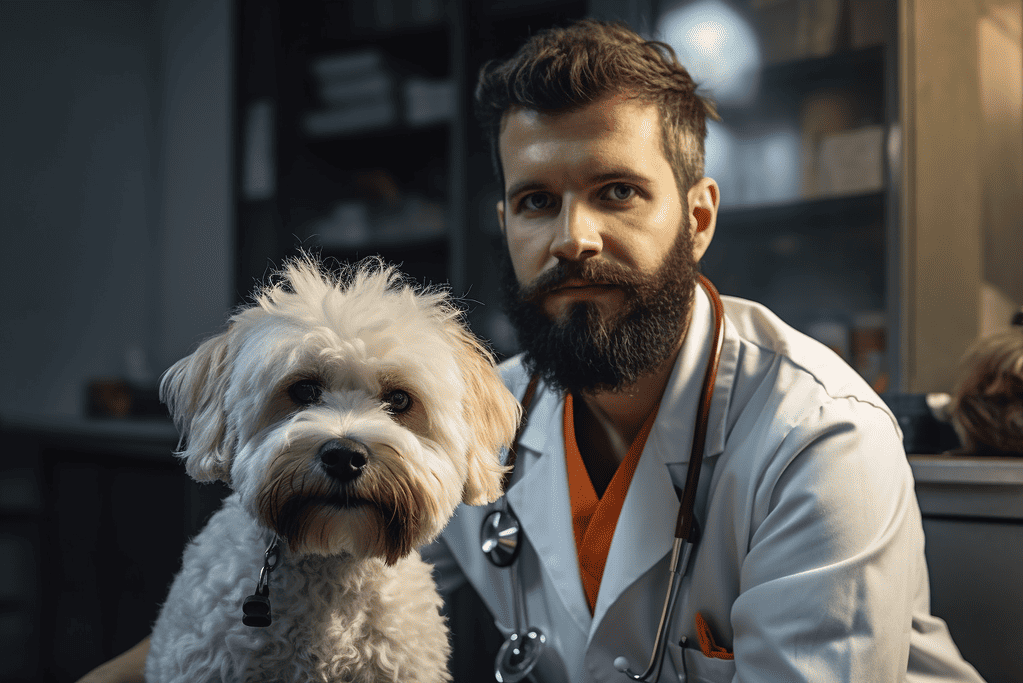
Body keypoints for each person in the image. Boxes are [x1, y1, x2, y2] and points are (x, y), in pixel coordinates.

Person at [77, 18, 986, 683]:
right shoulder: (473, 416)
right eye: (535, 200)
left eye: (618, 192)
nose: (572, 237)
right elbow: (318, 583)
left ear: (698, 217)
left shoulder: (818, 440)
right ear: (505, 218)